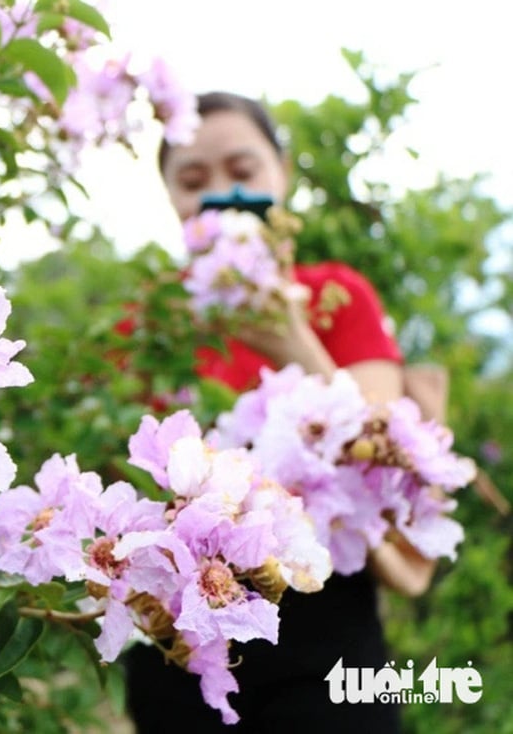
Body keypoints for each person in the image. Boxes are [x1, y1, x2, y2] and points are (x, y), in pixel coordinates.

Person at [123, 91, 435, 732]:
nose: (221, 194)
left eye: (243, 172)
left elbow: (382, 456)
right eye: (193, 180)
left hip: (325, 612)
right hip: (185, 633)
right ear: (171, 197)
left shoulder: (335, 296)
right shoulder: (150, 323)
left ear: (281, 174)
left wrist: (292, 337)